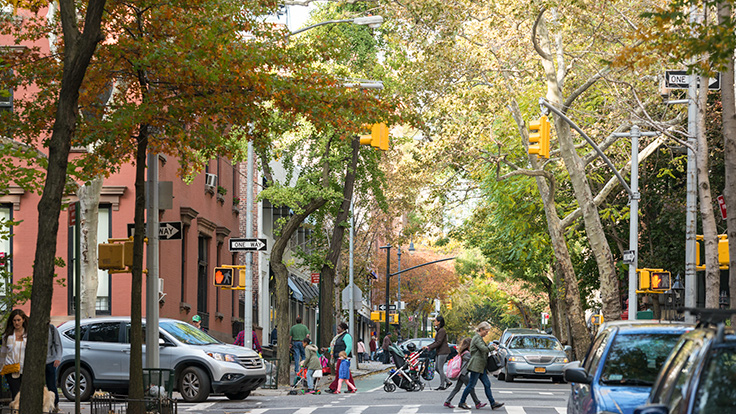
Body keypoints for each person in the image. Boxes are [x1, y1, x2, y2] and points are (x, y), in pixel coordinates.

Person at [457, 321, 504, 410]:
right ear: (481, 329)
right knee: (471, 385)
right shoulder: (477, 338)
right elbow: (483, 349)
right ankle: (461, 402)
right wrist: (492, 347)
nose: (487, 333)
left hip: (481, 366)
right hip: (476, 366)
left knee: (487, 384)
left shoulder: (479, 338)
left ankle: (493, 403)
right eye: (486, 331)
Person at [443, 337, 484, 409]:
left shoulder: (463, 353)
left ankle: (447, 401)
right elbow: (473, 361)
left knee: (457, 388)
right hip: (463, 374)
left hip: (461, 374)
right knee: (470, 388)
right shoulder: (467, 354)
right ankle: (477, 403)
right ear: (468, 346)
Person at [0, 309, 28, 400]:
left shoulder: (29, 334)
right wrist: (1, 368)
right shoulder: (7, 336)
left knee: (25, 395)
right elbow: (3, 353)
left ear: (23, 320)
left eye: (19, 320)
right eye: (14, 320)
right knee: (16, 395)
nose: (16, 323)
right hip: (11, 369)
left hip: (26, 370)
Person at [425, 315, 452, 390]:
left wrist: (429, 347)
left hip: (443, 352)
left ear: (439, 322)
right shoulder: (439, 330)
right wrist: (428, 346)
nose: (434, 322)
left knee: (439, 368)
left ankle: (442, 385)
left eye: (435, 321)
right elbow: (436, 342)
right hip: (440, 352)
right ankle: (448, 382)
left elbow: (438, 342)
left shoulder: (442, 331)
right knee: (437, 368)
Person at [327, 322, 355, 393]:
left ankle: (333, 387)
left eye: (338, 328)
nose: (337, 329)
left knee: (339, 372)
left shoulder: (346, 336)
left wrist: (344, 356)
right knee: (345, 373)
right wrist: (328, 349)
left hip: (343, 358)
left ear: (343, 329)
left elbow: (348, 347)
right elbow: (335, 347)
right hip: (340, 357)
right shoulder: (338, 337)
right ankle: (351, 388)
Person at [46, 321, 62, 412]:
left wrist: (58, 358)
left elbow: (58, 344)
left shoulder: (52, 329)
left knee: (51, 385)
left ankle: (55, 404)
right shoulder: (32, 328)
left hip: (50, 361)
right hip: (37, 362)